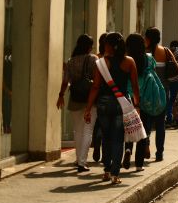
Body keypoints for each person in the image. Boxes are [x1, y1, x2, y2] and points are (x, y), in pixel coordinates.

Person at [84, 32, 140, 185]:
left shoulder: (102, 63)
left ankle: (106, 171)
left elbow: (95, 86)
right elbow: (135, 86)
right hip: (121, 104)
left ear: (109, 46)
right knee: (118, 138)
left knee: (106, 137)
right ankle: (115, 174)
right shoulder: (129, 62)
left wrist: (88, 108)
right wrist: (137, 105)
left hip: (103, 103)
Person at [56, 34, 98, 173]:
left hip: (74, 99)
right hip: (90, 100)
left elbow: (65, 81)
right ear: (88, 47)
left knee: (77, 130)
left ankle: (79, 159)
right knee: (88, 130)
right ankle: (82, 161)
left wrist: (61, 95)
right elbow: (98, 80)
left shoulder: (71, 61)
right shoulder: (93, 59)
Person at [125, 33, 164, 172]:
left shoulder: (126, 60)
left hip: (129, 97)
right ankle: (139, 164)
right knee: (143, 130)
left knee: (130, 126)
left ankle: (128, 149)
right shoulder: (148, 59)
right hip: (146, 98)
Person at [145, 27, 175, 161]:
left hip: (146, 93)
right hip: (163, 93)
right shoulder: (166, 51)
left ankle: (146, 145)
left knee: (146, 123)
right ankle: (159, 153)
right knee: (160, 124)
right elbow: (176, 68)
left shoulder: (143, 53)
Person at [91, 32, 108, 163]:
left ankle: (96, 143)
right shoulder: (113, 59)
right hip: (110, 93)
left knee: (98, 123)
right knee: (109, 125)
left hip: (98, 94)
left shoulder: (96, 58)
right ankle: (105, 151)